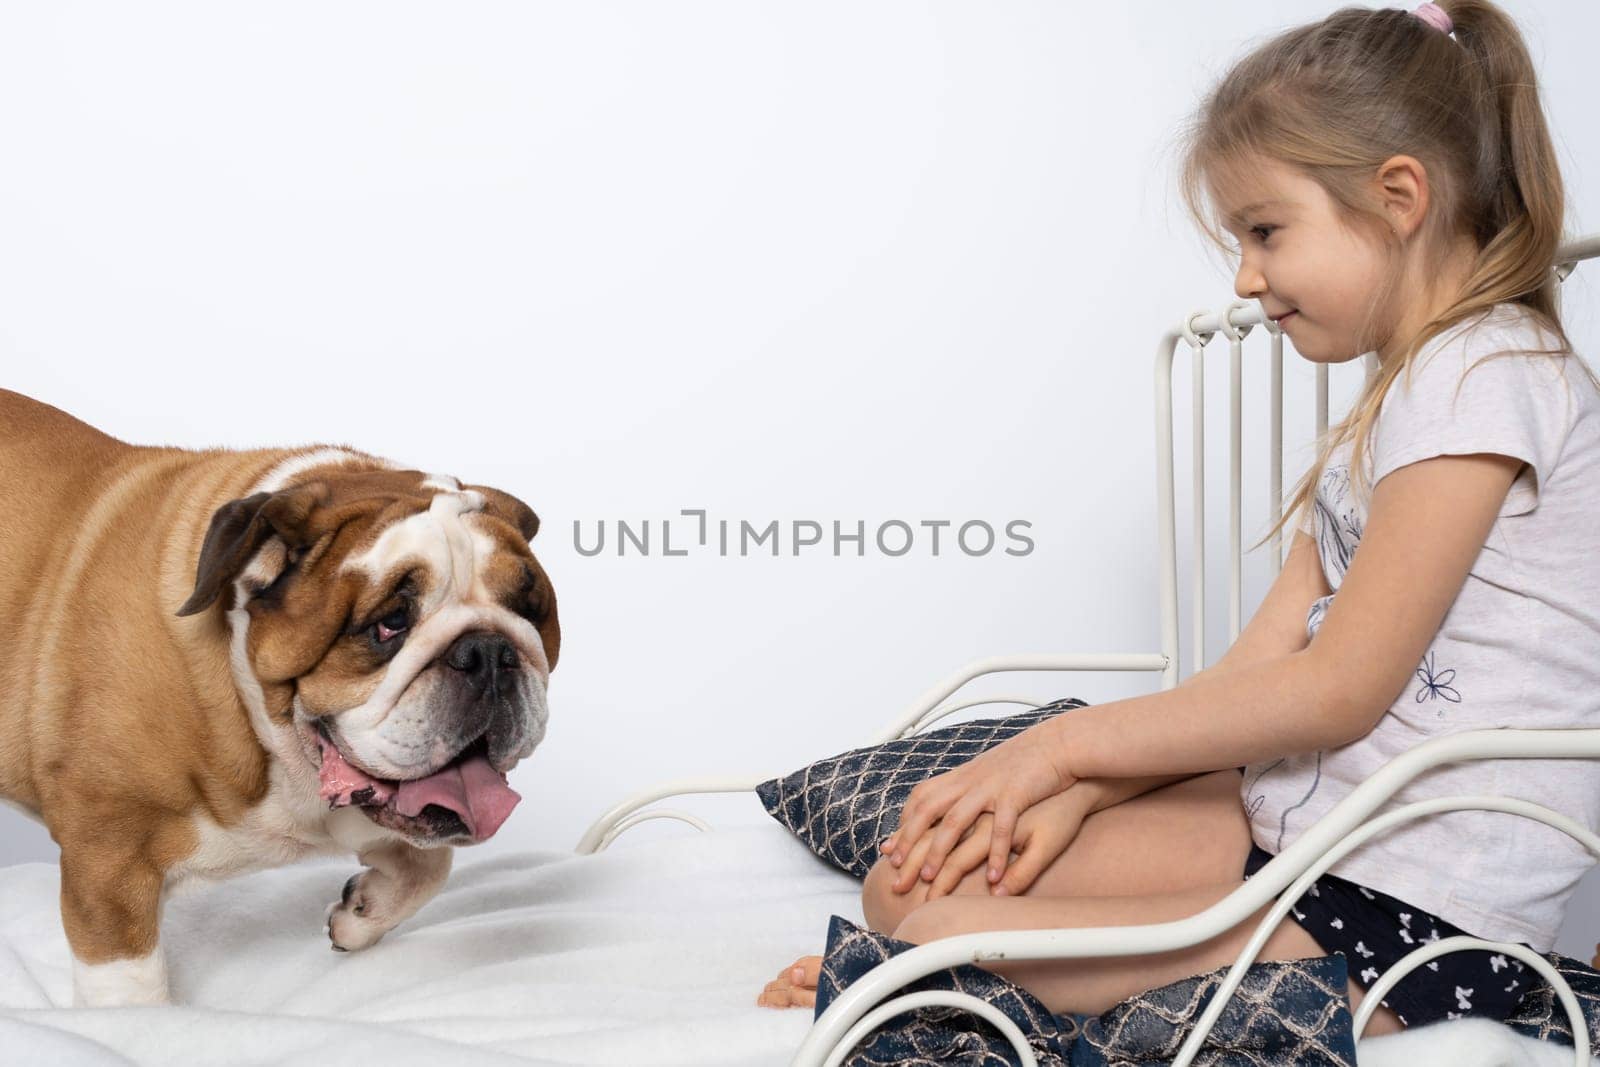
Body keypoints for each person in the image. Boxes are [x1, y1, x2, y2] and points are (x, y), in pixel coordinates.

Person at [757, 0, 1600, 1037]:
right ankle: (937, 951)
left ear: (1397, 198)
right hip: (1300, 833)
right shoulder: (1402, 397)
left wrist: (1062, 748)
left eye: (1263, 231)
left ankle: (936, 969)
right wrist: (1086, 793)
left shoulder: (1487, 371)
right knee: (909, 886)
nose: (1244, 278)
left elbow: (1337, 688)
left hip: (1409, 898)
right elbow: (1256, 672)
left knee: (932, 936)